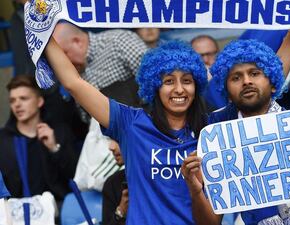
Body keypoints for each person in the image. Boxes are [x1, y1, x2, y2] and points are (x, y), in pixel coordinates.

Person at [181, 39, 290, 225]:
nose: (246, 81)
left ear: (273, 83)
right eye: (236, 78)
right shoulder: (219, 139)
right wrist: (196, 190)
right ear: (227, 91)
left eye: (254, 73)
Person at [44, 35, 208, 224]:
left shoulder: (210, 130)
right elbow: (74, 83)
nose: (179, 89)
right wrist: (45, 35)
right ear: (154, 86)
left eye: (187, 81)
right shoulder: (131, 124)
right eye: (169, 81)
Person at [0, 76, 78, 201]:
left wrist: (54, 148)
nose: (17, 104)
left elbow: (76, 177)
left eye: (23, 98)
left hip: (57, 213)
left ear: (39, 101)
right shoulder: (3, 139)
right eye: (12, 100)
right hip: (16, 213)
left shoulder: (60, 133)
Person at [52, 22, 148, 122]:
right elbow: (85, 118)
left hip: (141, 124)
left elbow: (153, 82)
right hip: (102, 133)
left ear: (77, 42)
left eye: (64, 54)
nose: (62, 63)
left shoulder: (119, 41)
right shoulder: (73, 73)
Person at [102, 140, 128, 225]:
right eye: (110, 139)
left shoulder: (161, 178)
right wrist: (120, 212)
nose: (111, 147)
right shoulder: (112, 183)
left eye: (118, 139)